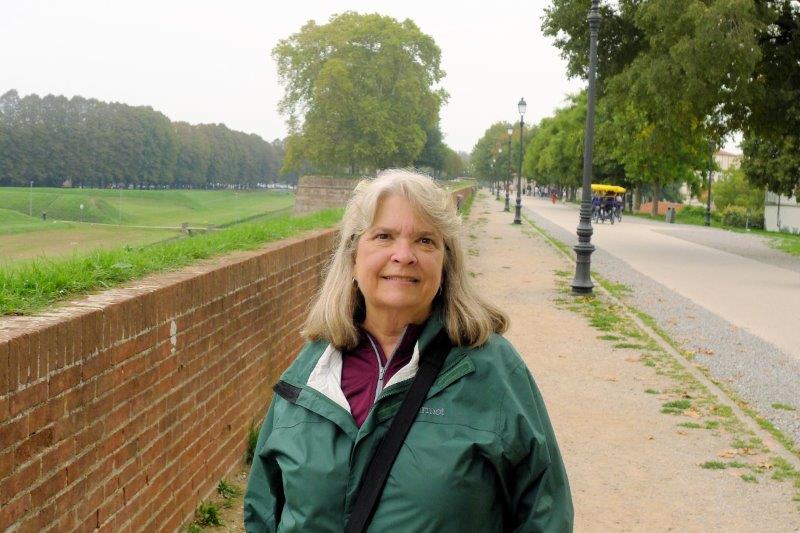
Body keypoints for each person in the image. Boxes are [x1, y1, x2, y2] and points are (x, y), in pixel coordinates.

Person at [244, 170, 573, 532]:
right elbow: (264, 508)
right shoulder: (311, 369)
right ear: (353, 257)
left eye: (425, 241)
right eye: (384, 236)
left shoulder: (493, 371)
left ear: (446, 264)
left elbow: (544, 510)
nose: (404, 255)